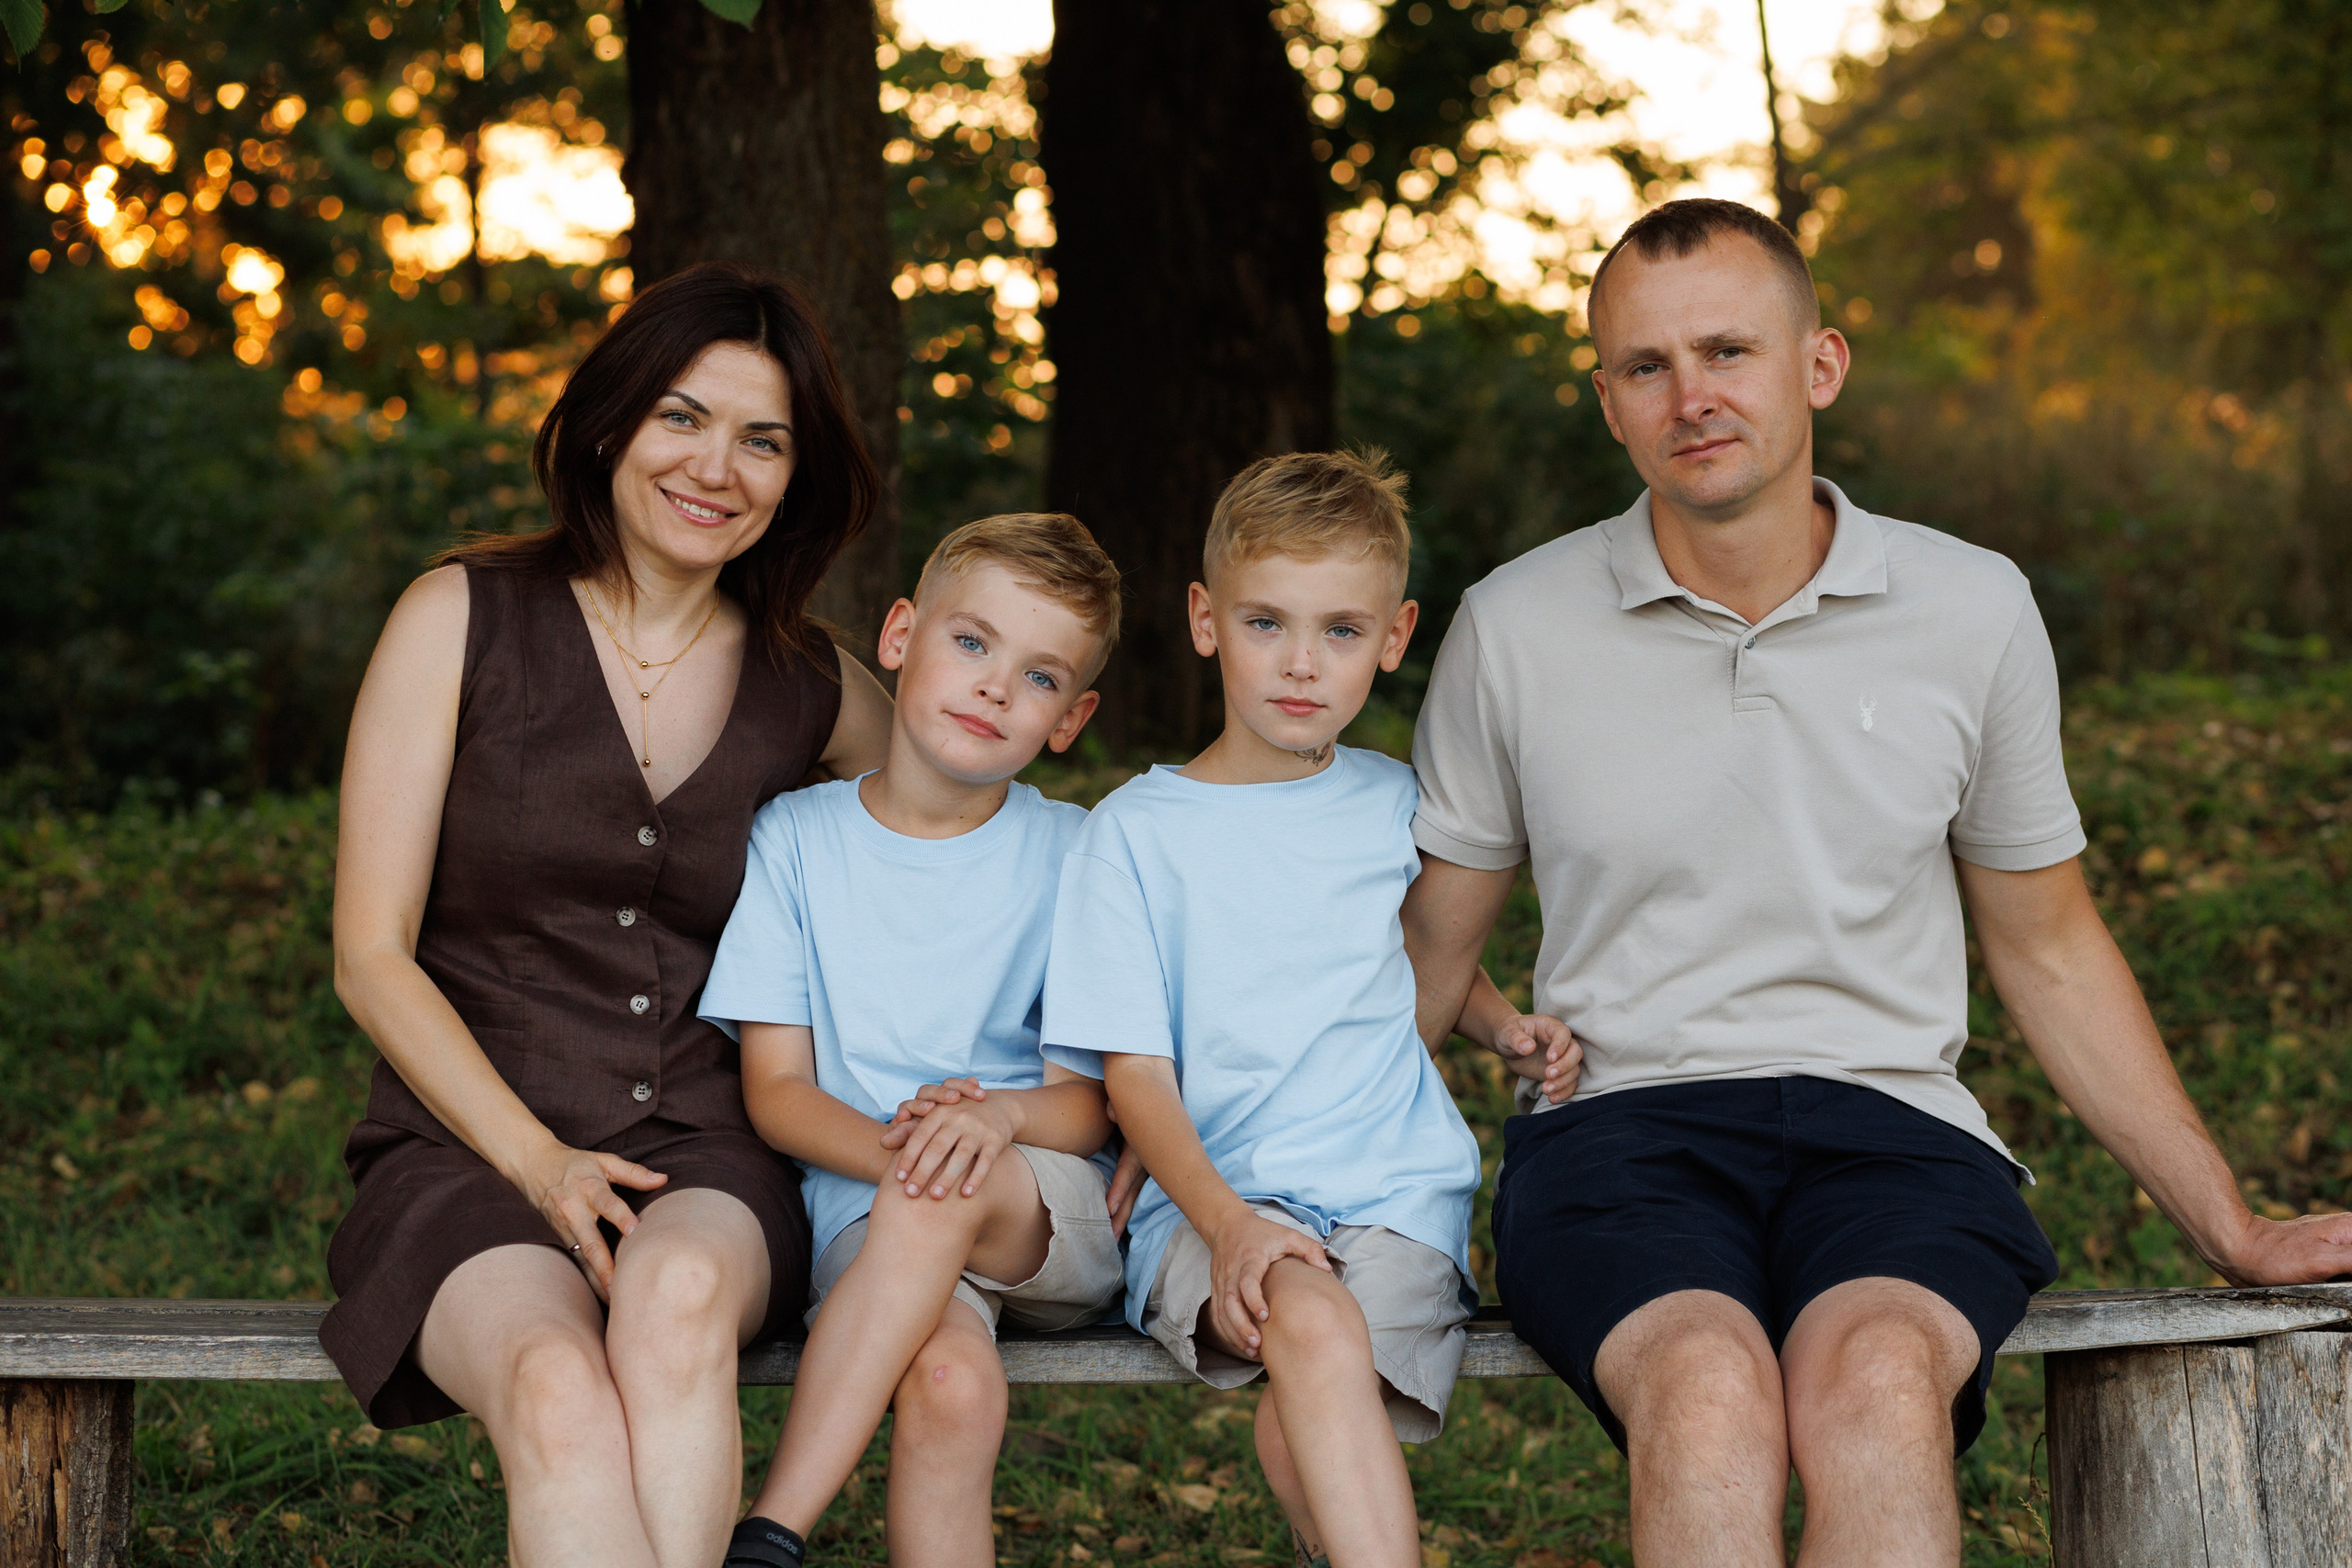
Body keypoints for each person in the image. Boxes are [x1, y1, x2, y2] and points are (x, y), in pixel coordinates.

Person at [1400, 197, 2352, 1568]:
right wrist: (1265, 1194)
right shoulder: (1513, 625)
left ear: (1820, 364)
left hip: (1895, 1127)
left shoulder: (1971, 607)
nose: (1691, 397)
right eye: (1647, 366)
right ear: (1607, 402)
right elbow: (1433, 954)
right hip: (1617, 1132)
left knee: (1877, 1384)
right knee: (1707, 1391)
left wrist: (2234, 1226)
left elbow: (2050, 945)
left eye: (1728, 351)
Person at [322, 262, 896, 1568]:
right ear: (609, 424)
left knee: (674, 1298)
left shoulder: (814, 685)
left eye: (763, 440)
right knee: (556, 1390)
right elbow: (370, 955)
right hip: (463, 1150)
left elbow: (969, 831)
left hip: (709, 1153)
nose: (716, 467)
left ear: (796, 477)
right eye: (681, 417)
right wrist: (542, 1162)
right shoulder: (458, 616)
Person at [1044, 451, 1549, 1568]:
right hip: (1214, 1197)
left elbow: (1412, 959)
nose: (1301, 664)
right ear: (1205, 618)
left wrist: (1504, 1026)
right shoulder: (1135, 834)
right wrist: (1226, 1221)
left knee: (1301, 1417)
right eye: (1266, 622)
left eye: (1341, 630)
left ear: (1396, 636)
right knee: (1313, 1331)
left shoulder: (1393, 802)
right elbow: (1135, 1073)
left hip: (1393, 1195)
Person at [696, 513, 1126, 1568]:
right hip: (864, 1209)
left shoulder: (1076, 854)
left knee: (950, 1188)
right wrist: (918, 1152)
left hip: (1039, 1209)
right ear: (899, 636)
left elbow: (1088, 1104)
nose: (993, 687)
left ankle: (773, 1530)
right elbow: (778, 1091)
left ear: (1069, 719)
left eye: (1038, 677)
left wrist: (993, 1121)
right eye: (971, 642)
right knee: (949, 1384)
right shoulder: (794, 840)